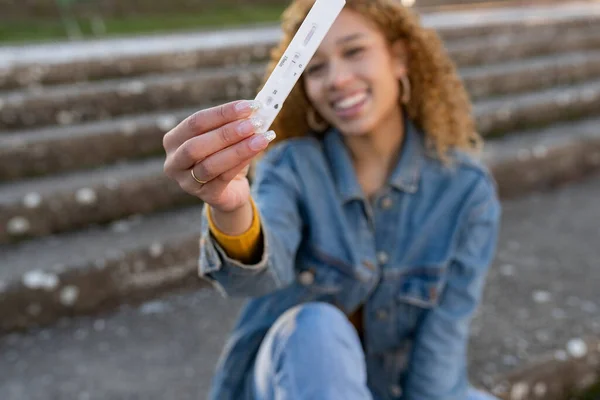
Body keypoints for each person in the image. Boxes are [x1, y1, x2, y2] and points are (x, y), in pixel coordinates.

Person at [162, 0, 501, 399]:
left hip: (391, 387)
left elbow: (441, 348)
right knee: (316, 327)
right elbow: (251, 277)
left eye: (354, 51)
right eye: (317, 67)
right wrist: (231, 206)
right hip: (290, 381)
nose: (337, 79)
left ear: (400, 58)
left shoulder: (466, 190)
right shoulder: (292, 167)